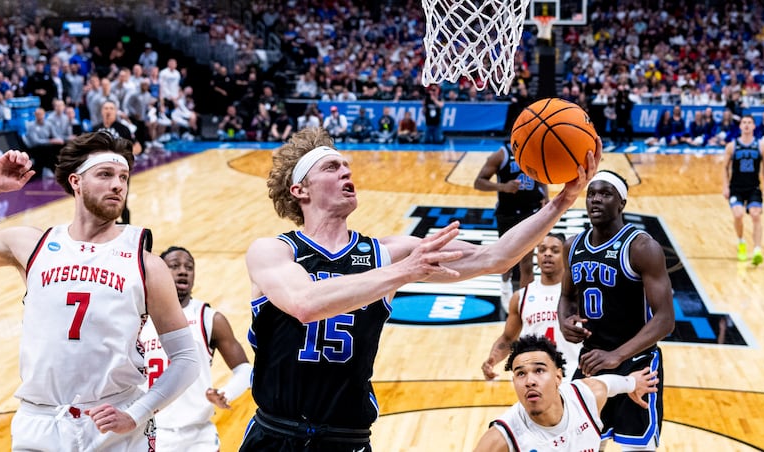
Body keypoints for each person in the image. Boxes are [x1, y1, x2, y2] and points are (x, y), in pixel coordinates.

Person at [239, 127, 600, 451]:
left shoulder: (384, 254)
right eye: (331, 167)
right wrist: (403, 272)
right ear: (299, 189)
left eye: (347, 165)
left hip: (346, 437)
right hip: (275, 434)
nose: (346, 171)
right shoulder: (273, 251)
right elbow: (305, 303)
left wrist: (562, 201)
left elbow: (496, 257)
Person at [0, 136, 199, 450]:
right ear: (76, 182)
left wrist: (137, 414)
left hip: (113, 425)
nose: (118, 185)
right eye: (105, 175)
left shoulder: (146, 263)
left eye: (123, 177)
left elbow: (186, 358)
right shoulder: (32, 245)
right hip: (40, 422)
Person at [558, 170, 675, 451]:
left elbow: (665, 319)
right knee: (582, 444)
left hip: (637, 362)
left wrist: (617, 356)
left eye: (605, 194)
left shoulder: (642, 247)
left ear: (621, 203)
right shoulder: (572, 246)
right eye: (591, 194)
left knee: (636, 447)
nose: (595, 200)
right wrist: (565, 319)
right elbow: (566, 297)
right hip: (593, 360)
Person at [140, 246, 252, 451]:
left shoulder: (210, 318)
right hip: (151, 432)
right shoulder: (139, 318)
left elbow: (245, 370)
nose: (183, 271)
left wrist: (225, 392)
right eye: (174, 266)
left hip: (199, 436)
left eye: (189, 267)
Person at [473, 335, 659, 452]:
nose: (529, 381)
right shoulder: (502, 437)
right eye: (520, 373)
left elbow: (613, 383)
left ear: (558, 377)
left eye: (539, 370)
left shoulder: (587, 396)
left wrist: (634, 383)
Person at [482, 233, 582, 381]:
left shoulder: (579, 293)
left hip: (572, 375)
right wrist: (492, 359)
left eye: (554, 250)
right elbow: (508, 338)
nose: (547, 254)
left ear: (565, 256)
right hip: (533, 379)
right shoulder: (521, 297)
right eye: (542, 250)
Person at [474, 141, 548, 309]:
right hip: (507, 212)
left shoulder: (537, 150)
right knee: (505, 260)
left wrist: (547, 197)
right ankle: (505, 286)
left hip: (531, 211)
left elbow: (543, 176)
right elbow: (478, 182)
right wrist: (503, 187)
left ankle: (526, 302)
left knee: (527, 260)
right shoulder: (502, 154)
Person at [722, 115, 764, 265]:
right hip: (736, 187)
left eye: (750, 122)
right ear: (740, 126)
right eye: (744, 122)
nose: (747, 125)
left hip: (753, 187)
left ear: (754, 126)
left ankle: (757, 250)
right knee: (738, 215)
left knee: (756, 215)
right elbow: (724, 167)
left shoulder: (761, 145)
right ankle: (741, 242)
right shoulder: (732, 145)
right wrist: (725, 186)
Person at [93, 100, 140, 224]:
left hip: (119, 172)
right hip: (100, 172)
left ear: (115, 111)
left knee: (121, 202)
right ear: (102, 111)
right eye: (106, 108)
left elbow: (137, 147)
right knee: (101, 201)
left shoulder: (123, 129)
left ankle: (127, 228)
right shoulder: (95, 129)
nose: (108, 111)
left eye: (111, 108)